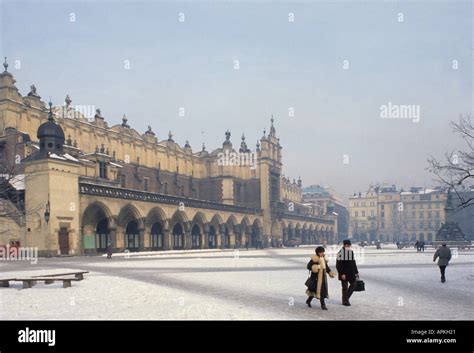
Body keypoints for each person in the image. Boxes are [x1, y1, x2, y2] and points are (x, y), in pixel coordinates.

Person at [336, 239, 359, 306]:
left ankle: (345, 298)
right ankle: (345, 301)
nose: (348, 246)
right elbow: (338, 265)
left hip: (351, 272)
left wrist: (356, 272)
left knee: (354, 284)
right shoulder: (340, 253)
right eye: (347, 245)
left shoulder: (351, 252)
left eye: (349, 245)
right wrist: (342, 273)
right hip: (344, 273)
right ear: (344, 245)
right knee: (345, 287)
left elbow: (353, 262)